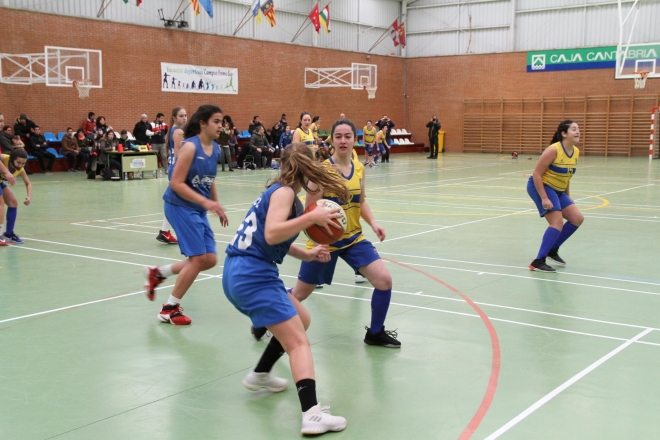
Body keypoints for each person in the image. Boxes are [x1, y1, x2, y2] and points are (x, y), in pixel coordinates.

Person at [223, 142, 349, 435]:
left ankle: (260, 373)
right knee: (298, 343)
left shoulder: (281, 193)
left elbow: (271, 237)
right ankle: (312, 415)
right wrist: (311, 218)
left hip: (242, 272)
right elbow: (271, 233)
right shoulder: (285, 193)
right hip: (252, 276)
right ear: (306, 167)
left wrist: (305, 254)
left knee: (302, 319)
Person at [251, 119, 401, 348]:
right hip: (325, 243)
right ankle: (265, 317)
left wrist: (373, 223)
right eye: (338, 136)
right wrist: (316, 244)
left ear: (355, 139)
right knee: (300, 294)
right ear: (332, 140)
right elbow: (309, 212)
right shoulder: (321, 172)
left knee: (384, 280)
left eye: (348, 136)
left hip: (354, 239)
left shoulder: (359, 168)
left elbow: (361, 202)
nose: (343, 140)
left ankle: (375, 333)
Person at [143, 104, 229, 325]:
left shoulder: (215, 149)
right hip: (179, 206)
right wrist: (206, 202)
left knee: (209, 259)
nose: (221, 125)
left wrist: (216, 204)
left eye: (221, 122)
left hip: (197, 208)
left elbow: (210, 180)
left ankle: (158, 273)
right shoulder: (190, 147)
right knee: (198, 258)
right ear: (203, 123)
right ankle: (169, 309)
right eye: (216, 121)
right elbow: (176, 183)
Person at [527, 120, 584, 273]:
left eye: (578, 129)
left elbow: (567, 176)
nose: (578, 131)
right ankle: (538, 261)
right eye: (574, 129)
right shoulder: (553, 150)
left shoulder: (575, 151)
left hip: (558, 189)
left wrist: (568, 196)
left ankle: (552, 249)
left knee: (577, 218)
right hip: (542, 186)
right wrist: (544, 198)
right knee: (556, 222)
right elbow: (536, 174)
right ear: (564, 134)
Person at [156, 106, 187, 244]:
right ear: (174, 117)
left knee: (174, 201)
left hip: (175, 169)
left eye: (185, 115)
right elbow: (180, 154)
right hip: (178, 170)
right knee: (177, 202)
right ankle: (168, 231)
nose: (184, 118)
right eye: (181, 116)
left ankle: (165, 231)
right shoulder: (178, 132)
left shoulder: (175, 130)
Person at [0, 148, 31, 244]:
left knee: (13, 203)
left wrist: (28, 196)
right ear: (12, 159)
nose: (20, 165)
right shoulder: (4, 158)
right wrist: (7, 172)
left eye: (23, 163)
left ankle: (8, 234)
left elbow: (28, 183)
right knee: (0, 204)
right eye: (18, 162)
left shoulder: (20, 170)